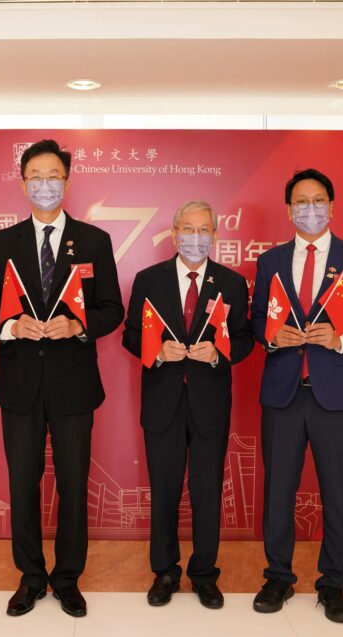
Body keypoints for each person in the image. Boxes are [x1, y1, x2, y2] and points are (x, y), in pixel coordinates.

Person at [0, 139, 124, 618]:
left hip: (73, 382)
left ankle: (67, 579)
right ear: (23, 183)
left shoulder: (94, 240)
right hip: (19, 381)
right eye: (35, 176)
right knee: (22, 482)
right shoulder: (4, 242)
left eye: (53, 175)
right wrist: (10, 326)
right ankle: (31, 577)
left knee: (74, 483)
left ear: (67, 180)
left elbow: (112, 309)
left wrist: (79, 325)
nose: (44, 184)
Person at [249, 169, 343, 623]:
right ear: (288, 209)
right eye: (299, 203)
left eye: (317, 202)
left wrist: (342, 339)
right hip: (283, 392)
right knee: (278, 491)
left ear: (331, 207)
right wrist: (274, 338)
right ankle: (278, 576)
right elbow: (256, 320)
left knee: (337, 490)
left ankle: (333, 584)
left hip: (337, 393)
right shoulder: (271, 261)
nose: (308, 210)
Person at [122, 200, 253, 609]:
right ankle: (164, 572)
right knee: (163, 490)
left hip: (210, 400)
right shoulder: (149, 279)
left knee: (207, 491)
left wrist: (217, 354)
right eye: (188, 229)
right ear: (174, 232)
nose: (195, 237)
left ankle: (204, 574)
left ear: (214, 235)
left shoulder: (232, 283)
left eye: (204, 230)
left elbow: (246, 338)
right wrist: (158, 351)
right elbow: (129, 335)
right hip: (162, 400)